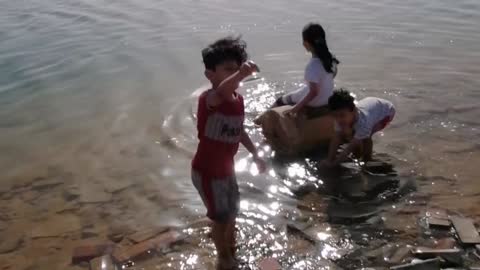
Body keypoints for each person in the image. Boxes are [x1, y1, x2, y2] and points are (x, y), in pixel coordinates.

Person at [191, 36, 267, 270]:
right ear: (210, 74)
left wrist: (255, 154)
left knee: (232, 209)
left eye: (236, 69)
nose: (234, 75)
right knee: (220, 216)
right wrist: (242, 74)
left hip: (226, 170)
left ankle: (229, 243)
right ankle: (223, 258)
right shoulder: (210, 99)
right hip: (206, 171)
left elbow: (239, 130)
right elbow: (222, 91)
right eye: (228, 70)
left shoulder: (238, 100)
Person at [275, 23, 339, 116]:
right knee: (303, 89)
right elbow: (334, 73)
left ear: (306, 44)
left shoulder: (312, 66)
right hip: (327, 98)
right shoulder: (330, 57)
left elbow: (314, 92)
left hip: (316, 102)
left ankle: (261, 118)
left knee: (282, 99)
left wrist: (295, 108)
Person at [321, 89, 396, 166]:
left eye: (342, 115)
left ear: (353, 110)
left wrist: (334, 164)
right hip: (371, 104)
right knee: (355, 134)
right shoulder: (339, 117)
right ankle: (360, 150)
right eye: (335, 115)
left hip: (386, 111)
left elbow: (349, 149)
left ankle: (367, 159)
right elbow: (336, 138)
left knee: (366, 137)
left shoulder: (364, 123)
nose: (338, 119)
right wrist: (329, 159)